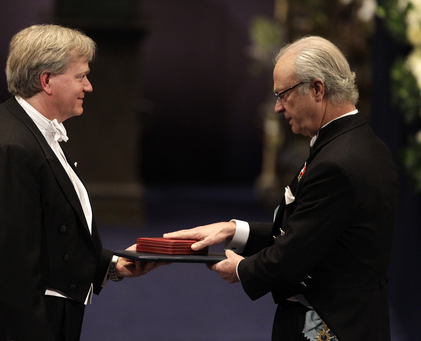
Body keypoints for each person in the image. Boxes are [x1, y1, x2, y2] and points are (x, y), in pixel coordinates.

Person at [165, 36, 398, 341]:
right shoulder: (356, 142)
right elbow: (312, 229)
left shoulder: (338, 162)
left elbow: (294, 255)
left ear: (317, 88)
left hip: (330, 324)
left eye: (283, 95)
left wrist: (242, 270)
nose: (277, 108)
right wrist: (233, 230)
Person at [0, 24, 160, 341]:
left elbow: (44, 232)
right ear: (46, 81)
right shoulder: (12, 148)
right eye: (80, 76)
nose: (89, 86)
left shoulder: (28, 128)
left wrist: (108, 265)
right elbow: (11, 270)